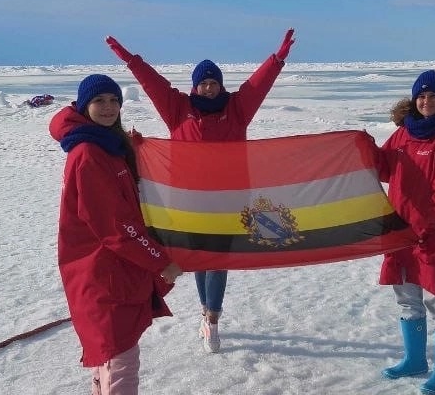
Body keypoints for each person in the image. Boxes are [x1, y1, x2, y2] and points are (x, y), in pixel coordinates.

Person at [105, 29, 296, 353]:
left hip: (229, 201)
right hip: (189, 201)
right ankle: (205, 311)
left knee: (218, 260)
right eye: (204, 83)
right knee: (197, 259)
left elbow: (257, 86)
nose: (209, 88)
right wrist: (130, 60)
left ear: (220, 85)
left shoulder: (236, 110)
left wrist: (277, 59)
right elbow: (153, 83)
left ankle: (213, 318)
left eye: (214, 83)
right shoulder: (178, 109)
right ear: (195, 86)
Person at [49, 73, 183, 395]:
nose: (108, 107)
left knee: (106, 355)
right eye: (99, 101)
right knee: (120, 364)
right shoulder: (89, 154)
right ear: (83, 105)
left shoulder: (108, 147)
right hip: (100, 275)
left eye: (114, 100)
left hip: (114, 271)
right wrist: (160, 261)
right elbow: (116, 227)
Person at [373, 70, 435, 395]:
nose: (426, 101)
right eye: (421, 96)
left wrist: (434, 227)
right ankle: (415, 360)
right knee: (407, 299)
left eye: (432, 96)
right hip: (402, 232)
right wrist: (363, 150)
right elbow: (384, 167)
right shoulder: (403, 135)